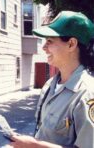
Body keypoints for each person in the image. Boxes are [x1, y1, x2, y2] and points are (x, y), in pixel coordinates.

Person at [9, 11, 94, 148]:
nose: (44, 47)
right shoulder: (50, 85)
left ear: (71, 44)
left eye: (50, 41)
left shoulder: (87, 93)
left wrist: (35, 146)